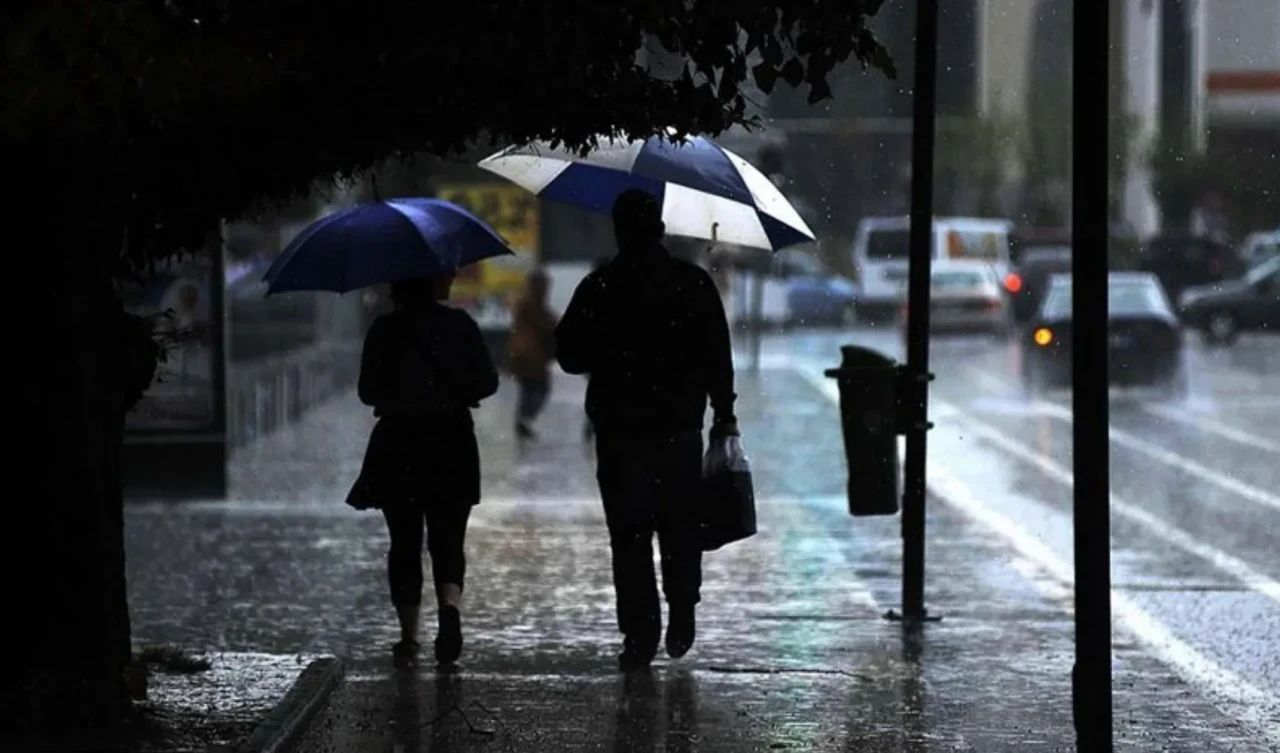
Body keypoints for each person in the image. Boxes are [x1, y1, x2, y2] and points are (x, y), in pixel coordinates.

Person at [555, 189, 739, 672]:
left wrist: (610, 349)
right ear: (659, 228)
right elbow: (718, 356)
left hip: (619, 435)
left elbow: (569, 355)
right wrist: (724, 413)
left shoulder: (600, 287)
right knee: (680, 526)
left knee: (630, 535)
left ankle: (641, 632)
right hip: (678, 431)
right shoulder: (692, 284)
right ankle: (682, 608)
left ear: (619, 230)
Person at [356, 272, 500, 669]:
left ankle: (408, 636)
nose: (453, 277)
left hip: (399, 444)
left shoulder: (384, 330)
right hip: (451, 441)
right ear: (433, 281)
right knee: (448, 538)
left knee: (404, 541)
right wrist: (458, 391)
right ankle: (449, 608)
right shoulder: (459, 325)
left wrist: (400, 393)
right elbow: (489, 381)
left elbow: (367, 390)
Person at [504, 268, 558, 441]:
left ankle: (522, 422)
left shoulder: (525, 301)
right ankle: (524, 420)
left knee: (528, 390)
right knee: (540, 389)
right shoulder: (533, 302)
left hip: (520, 353)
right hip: (531, 355)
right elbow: (544, 321)